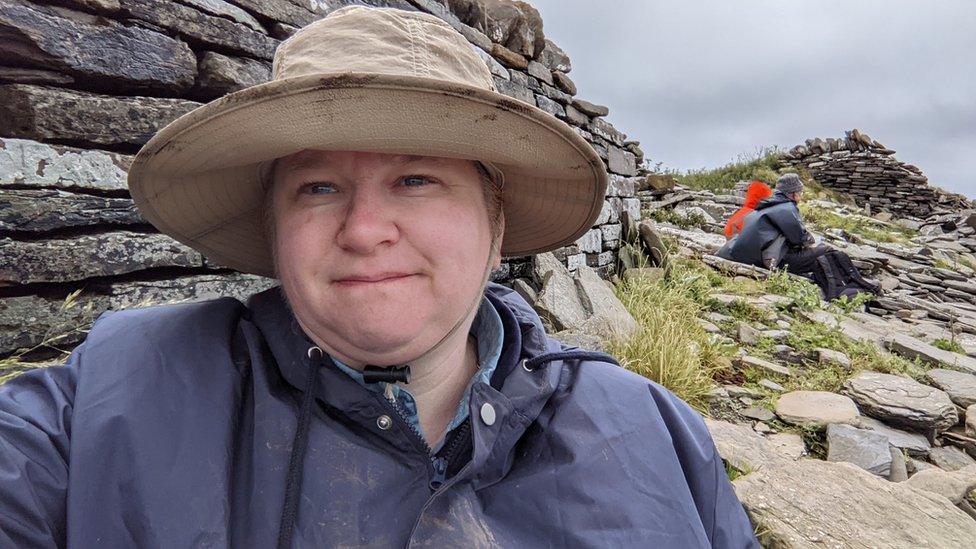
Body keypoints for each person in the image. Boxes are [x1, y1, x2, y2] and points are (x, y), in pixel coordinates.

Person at [0, 7, 758, 548]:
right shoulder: (107, 397)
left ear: (495, 228)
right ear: (274, 229)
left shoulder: (655, 433)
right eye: (318, 187)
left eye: (418, 179)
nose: (364, 230)